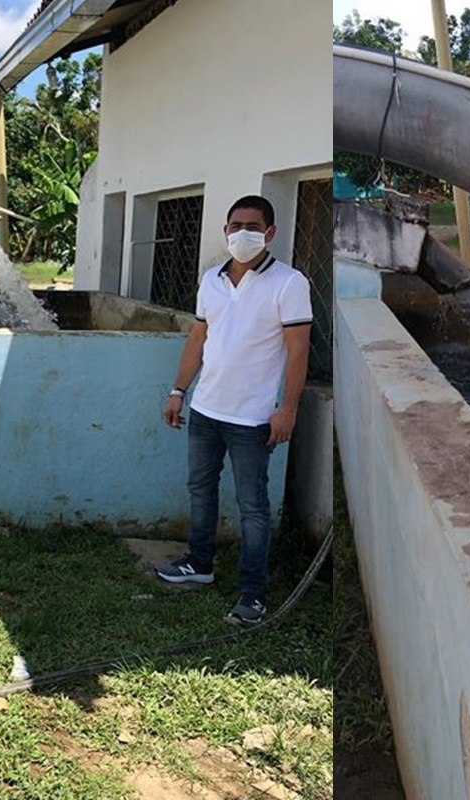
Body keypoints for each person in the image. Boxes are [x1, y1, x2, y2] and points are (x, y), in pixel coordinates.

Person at [157, 195, 312, 624]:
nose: (242, 233)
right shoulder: (211, 279)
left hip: (253, 417)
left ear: (270, 233)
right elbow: (198, 340)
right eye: (235, 225)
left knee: (253, 507)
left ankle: (252, 593)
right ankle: (200, 563)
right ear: (225, 231)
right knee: (200, 490)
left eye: (252, 225)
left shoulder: (289, 283)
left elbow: (298, 351)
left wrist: (288, 409)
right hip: (206, 410)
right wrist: (177, 390)